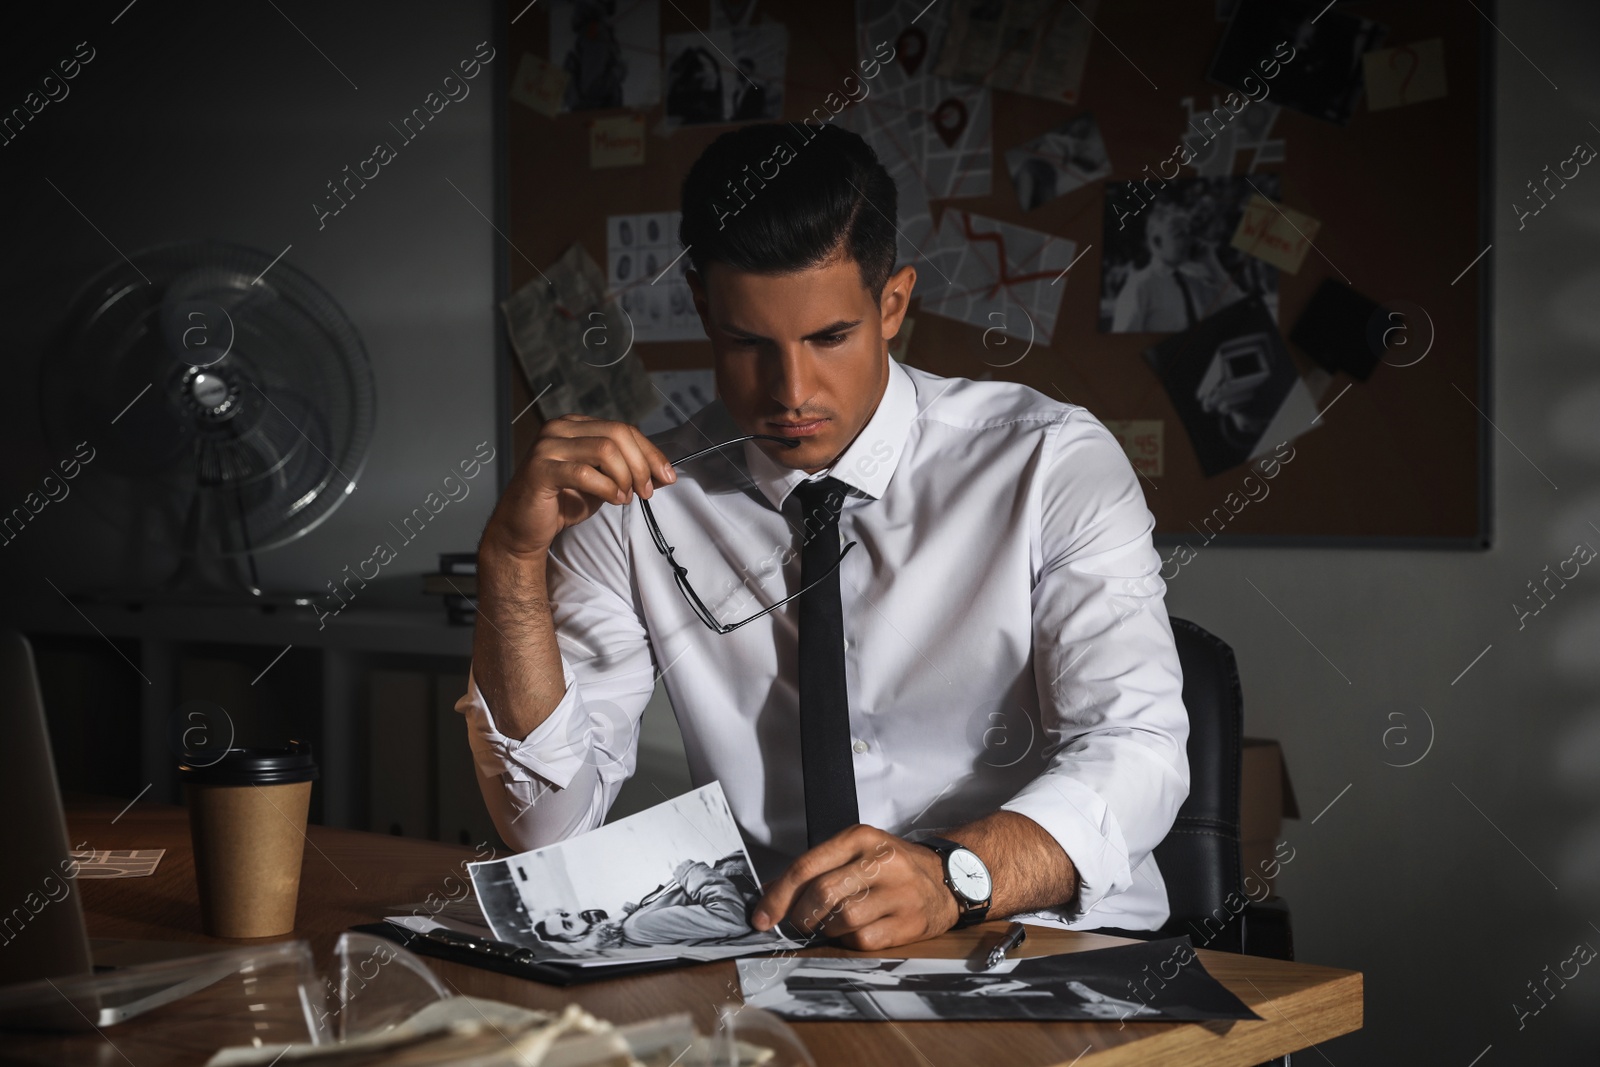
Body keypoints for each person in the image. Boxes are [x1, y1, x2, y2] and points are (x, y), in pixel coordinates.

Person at [459, 121, 1188, 952]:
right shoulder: (634, 502)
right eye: (747, 343)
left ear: (893, 305)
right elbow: (545, 825)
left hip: (1037, 938)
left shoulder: (1050, 462)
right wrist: (511, 562)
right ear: (703, 310)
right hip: (787, 955)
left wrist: (951, 875)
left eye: (828, 338)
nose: (791, 391)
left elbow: (1140, 752)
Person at [529, 853, 771, 953]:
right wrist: (687, 871)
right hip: (756, 883)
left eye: (564, 915)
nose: (574, 916)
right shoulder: (636, 927)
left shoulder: (628, 927)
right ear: (576, 940)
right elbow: (730, 919)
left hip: (754, 885)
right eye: (568, 925)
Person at [1110, 197, 1243, 332]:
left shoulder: (1196, 279)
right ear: (1157, 242)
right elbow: (1122, 340)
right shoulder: (1140, 286)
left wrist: (1212, 263)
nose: (1189, 241)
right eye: (1180, 235)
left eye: (1188, 234)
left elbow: (1239, 307)